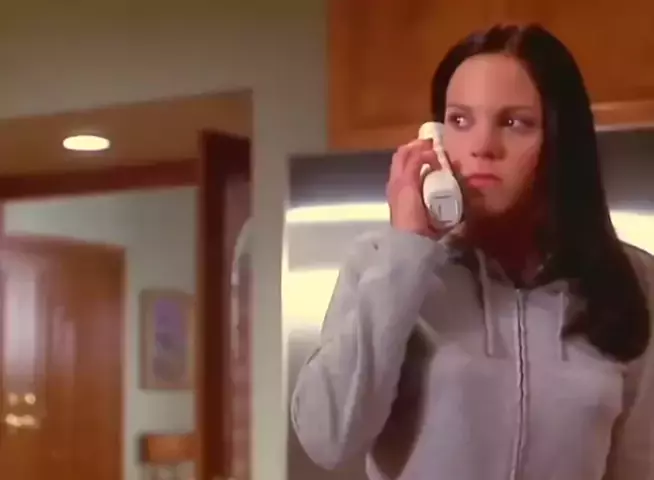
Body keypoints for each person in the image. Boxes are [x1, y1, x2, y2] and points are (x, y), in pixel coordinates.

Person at [290, 23, 654, 480]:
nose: (482, 147)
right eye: (460, 121)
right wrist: (407, 251)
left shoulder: (633, 280)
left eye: (514, 123)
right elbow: (327, 440)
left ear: (562, 141)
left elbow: (639, 464)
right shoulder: (383, 264)